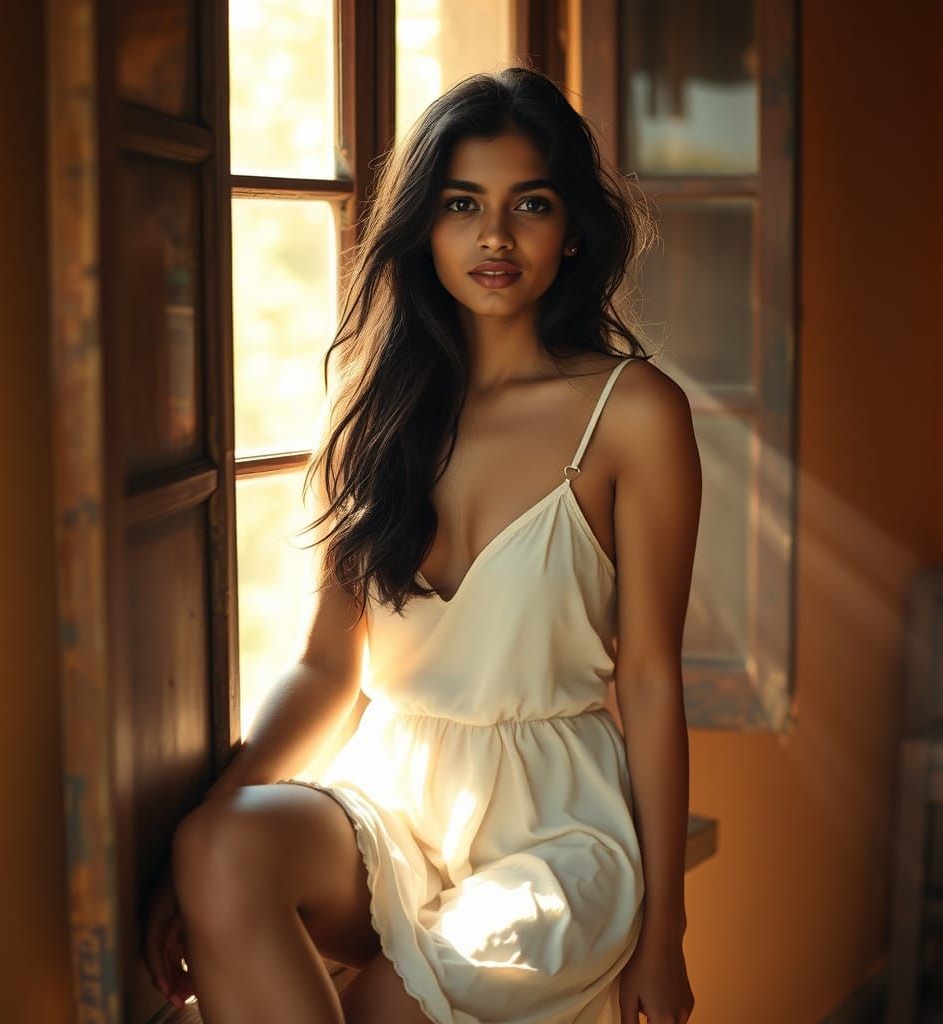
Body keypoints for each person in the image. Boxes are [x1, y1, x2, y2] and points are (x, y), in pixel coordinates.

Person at [143, 64, 701, 1024]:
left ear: (571, 230)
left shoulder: (634, 413)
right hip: (391, 802)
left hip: (558, 832)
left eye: (529, 202)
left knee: (388, 1015)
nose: (494, 235)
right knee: (217, 850)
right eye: (461, 204)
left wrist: (666, 932)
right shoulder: (377, 410)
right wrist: (199, 833)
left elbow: (649, 678)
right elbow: (328, 666)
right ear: (424, 228)